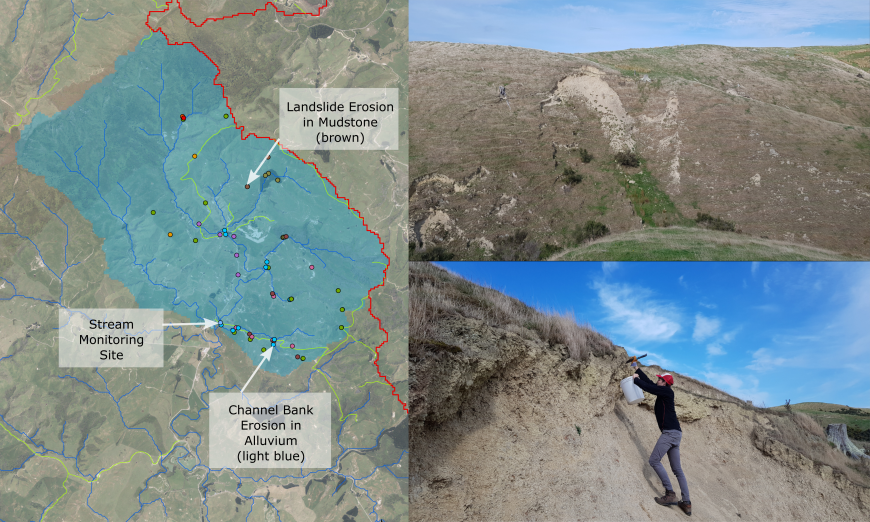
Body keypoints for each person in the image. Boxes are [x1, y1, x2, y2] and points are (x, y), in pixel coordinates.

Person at [631, 362, 692, 516]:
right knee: (678, 470)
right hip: (676, 433)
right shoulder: (663, 391)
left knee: (654, 461)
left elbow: (649, 387)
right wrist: (637, 368)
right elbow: (651, 384)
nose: (657, 380)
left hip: (670, 433)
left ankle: (670, 494)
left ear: (664, 383)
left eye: (659, 379)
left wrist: (635, 380)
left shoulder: (667, 392)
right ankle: (686, 503)